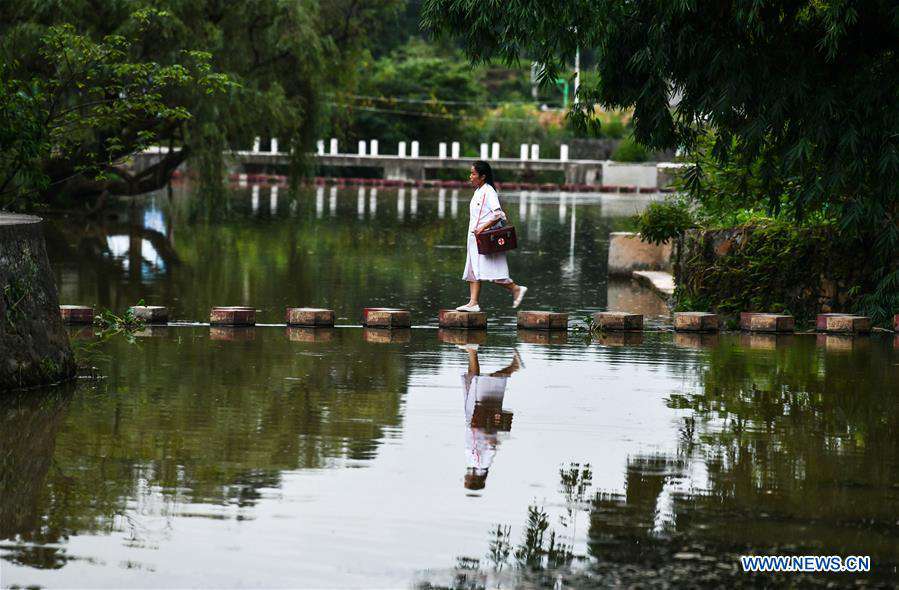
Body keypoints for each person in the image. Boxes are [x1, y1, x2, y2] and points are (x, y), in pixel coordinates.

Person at [456, 161, 527, 312]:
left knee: (492, 273)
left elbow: (498, 214)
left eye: (473, 174)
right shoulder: (478, 191)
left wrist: (482, 227)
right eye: (471, 173)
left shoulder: (489, 192)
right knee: (473, 270)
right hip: (474, 238)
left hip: (485, 238)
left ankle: (516, 289)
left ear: (482, 177)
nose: (470, 176)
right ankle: (473, 303)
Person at [461, 346, 521, 490]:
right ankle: (473, 351)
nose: (464, 479)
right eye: (466, 482)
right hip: (481, 419)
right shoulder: (482, 464)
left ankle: (472, 351)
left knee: (473, 381)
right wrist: (486, 434)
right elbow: (491, 444)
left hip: (474, 420)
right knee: (481, 382)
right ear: (473, 480)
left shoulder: (475, 465)